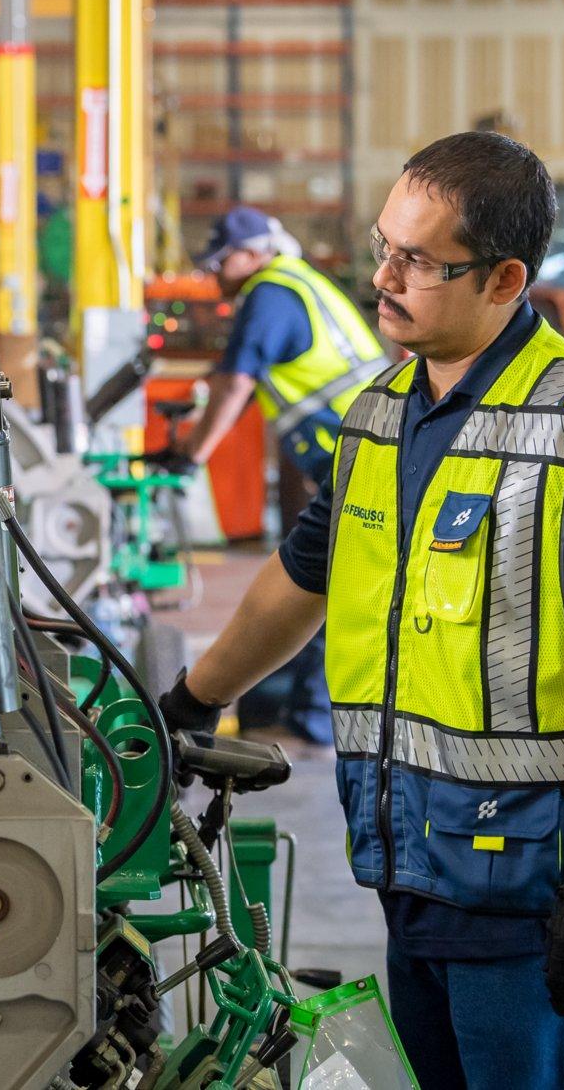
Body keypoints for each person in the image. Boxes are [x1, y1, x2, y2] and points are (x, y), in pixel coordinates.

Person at [159, 132, 564, 1089]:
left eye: (419, 261)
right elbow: (302, 577)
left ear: (504, 278)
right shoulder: (381, 414)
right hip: (419, 875)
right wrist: (190, 703)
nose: (384, 278)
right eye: (382, 246)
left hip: (543, 895)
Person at [170, 206, 388, 747]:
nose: (215, 276)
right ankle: (289, 711)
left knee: (319, 580)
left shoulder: (267, 293)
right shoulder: (296, 282)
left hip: (353, 448)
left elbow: (234, 384)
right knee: (319, 572)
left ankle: (310, 721)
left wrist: (190, 455)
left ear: (251, 254)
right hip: (362, 441)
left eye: (220, 262)